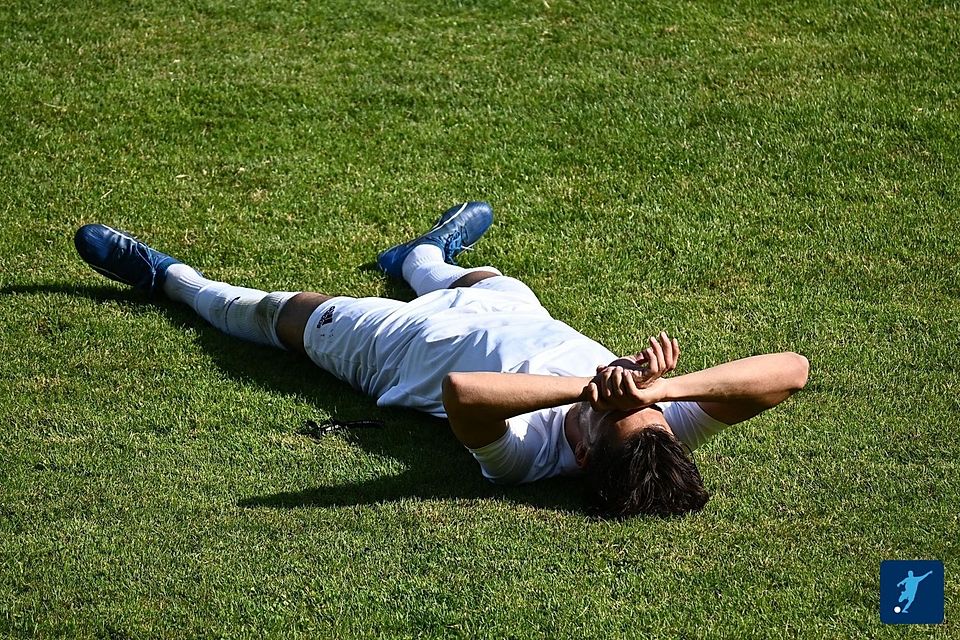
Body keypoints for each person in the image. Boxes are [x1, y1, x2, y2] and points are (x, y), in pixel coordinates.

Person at [73, 201, 809, 518]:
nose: (628, 401)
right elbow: (792, 370)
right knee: (472, 277)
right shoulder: (652, 430)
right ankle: (421, 253)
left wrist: (594, 387)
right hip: (516, 312)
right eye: (646, 411)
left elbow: (464, 391)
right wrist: (659, 392)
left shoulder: (527, 462)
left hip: (395, 347)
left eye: (612, 415)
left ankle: (167, 277)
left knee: (270, 311)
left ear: (583, 456)